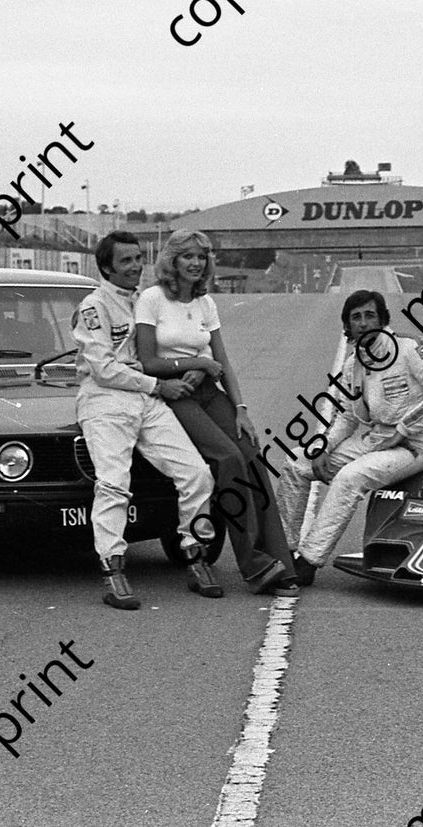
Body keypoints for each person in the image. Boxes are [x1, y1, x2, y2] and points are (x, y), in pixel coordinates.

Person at [135, 229, 299, 598]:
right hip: (176, 393)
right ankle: (255, 566)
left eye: (202, 257)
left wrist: (241, 409)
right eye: (187, 256)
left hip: (211, 390)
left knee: (252, 458)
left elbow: (222, 359)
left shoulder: (205, 303)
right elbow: (147, 362)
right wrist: (195, 362)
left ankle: (280, 563)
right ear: (172, 260)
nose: (196, 263)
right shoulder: (152, 299)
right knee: (227, 460)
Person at [73, 230, 218, 610]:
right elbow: (103, 370)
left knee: (197, 473)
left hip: (146, 398)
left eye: (138, 259)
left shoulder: (145, 300)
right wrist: (157, 384)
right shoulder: (93, 307)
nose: (135, 266)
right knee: (114, 483)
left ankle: (194, 552)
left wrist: (191, 370)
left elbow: (170, 346)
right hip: (105, 401)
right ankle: (113, 567)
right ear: (105, 267)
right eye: (126, 261)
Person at [277, 289, 423, 585]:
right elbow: (347, 417)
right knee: (298, 461)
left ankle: (309, 561)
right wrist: (321, 449)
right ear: (347, 327)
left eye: (369, 315)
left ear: (383, 319)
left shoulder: (410, 348)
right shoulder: (353, 365)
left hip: (414, 443)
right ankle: (285, 549)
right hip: (375, 441)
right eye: (355, 318)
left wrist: (403, 429)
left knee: (350, 477)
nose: (363, 323)